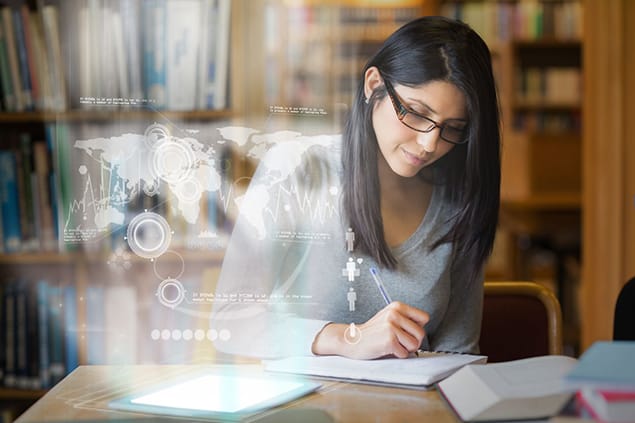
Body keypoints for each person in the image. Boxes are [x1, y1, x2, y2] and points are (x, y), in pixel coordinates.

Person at [211, 16, 500, 360]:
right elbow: (230, 322)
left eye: (453, 127)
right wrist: (348, 338)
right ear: (373, 84)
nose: (428, 143)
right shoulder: (295, 169)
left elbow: (457, 354)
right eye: (416, 113)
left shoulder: (459, 201)